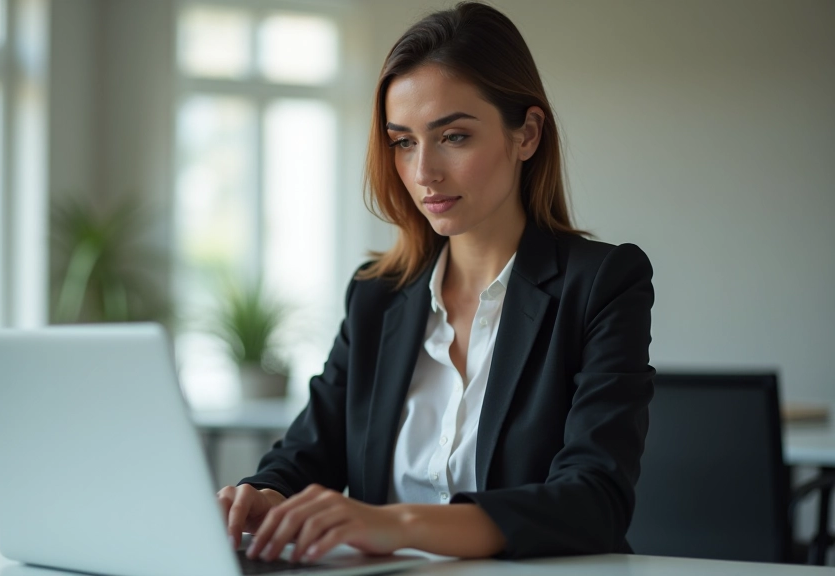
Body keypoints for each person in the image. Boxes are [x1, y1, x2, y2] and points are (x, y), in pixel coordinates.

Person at [217, 1, 654, 563]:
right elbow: (307, 454)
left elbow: (595, 501)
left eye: (453, 136)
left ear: (527, 134)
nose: (424, 173)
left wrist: (396, 524)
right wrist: (262, 497)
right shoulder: (378, 295)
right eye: (403, 141)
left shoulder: (601, 283)